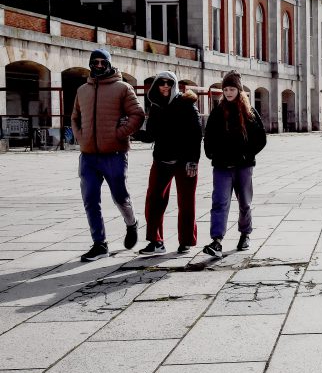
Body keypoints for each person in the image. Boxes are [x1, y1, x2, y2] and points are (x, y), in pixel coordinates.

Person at [71, 48, 146, 261]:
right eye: (95, 62)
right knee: (90, 200)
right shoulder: (82, 90)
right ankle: (99, 244)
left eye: (103, 62)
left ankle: (131, 223)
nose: (99, 66)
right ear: (90, 64)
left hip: (114, 154)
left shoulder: (122, 88)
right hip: (88, 156)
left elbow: (137, 114)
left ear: (109, 64)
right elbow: (75, 117)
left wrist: (119, 134)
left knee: (120, 197)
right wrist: (81, 137)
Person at [202, 71, 267, 257]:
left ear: (239, 90)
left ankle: (245, 234)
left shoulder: (249, 112)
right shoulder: (217, 112)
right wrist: (211, 154)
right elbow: (209, 137)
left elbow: (260, 138)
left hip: (243, 166)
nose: (229, 92)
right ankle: (216, 241)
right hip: (222, 166)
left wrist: (247, 155)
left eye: (232, 89)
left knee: (245, 202)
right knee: (219, 202)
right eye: (226, 89)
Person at [138, 71, 202, 256]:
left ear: (174, 85)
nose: (165, 86)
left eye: (169, 83)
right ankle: (156, 241)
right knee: (154, 200)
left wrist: (193, 161)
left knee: (186, 201)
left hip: (185, 162)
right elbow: (151, 135)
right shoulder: (156, 106)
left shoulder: (186, 104)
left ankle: (186, 241)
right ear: (156, 85)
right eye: (161, 83)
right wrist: (133, 131)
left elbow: (196, 135)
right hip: (162, 160)